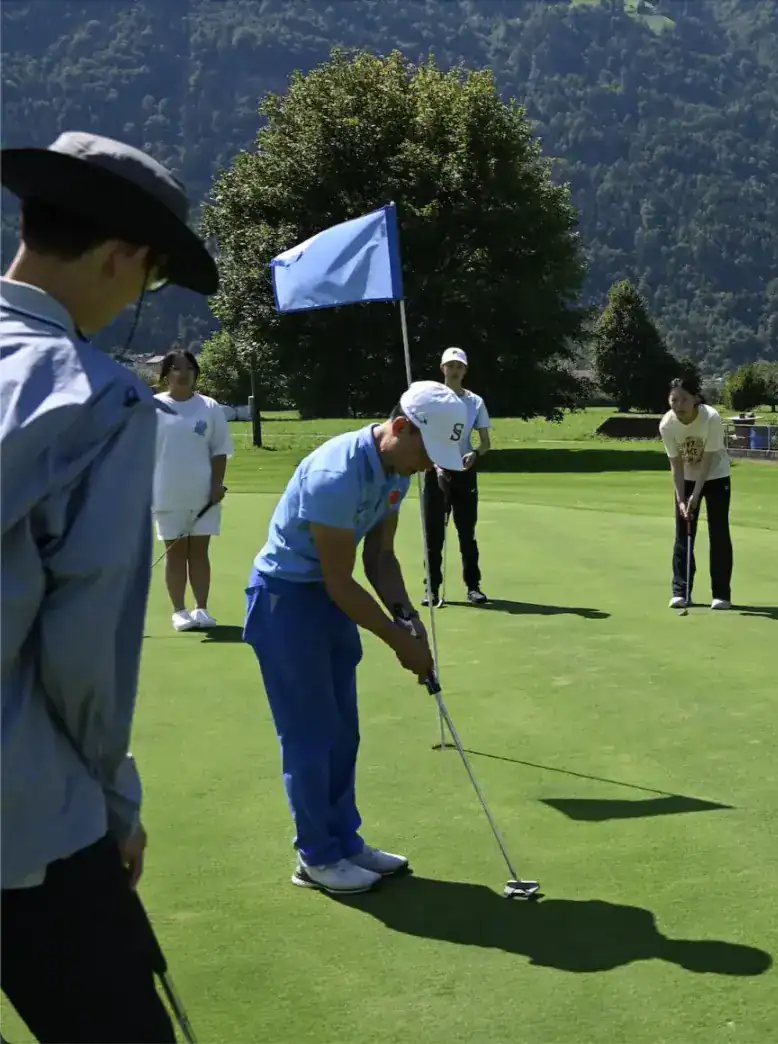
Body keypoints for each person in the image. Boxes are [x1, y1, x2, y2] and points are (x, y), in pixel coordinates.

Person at [1, 131, 218, 1043]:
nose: (138, 296)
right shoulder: (96, 397)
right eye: (150, 277)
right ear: (121, 254)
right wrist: (114, 802)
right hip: (26, 816)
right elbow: (86, 645)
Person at [245, 380, 467, 894]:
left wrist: (407, 615)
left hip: (327, 600)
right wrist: (398, 641)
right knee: (309, 733)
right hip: (286, 600)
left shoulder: (398, 471)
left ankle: (345, 841)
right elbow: (339, 581)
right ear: (401, 427)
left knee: (343, 729)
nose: (425, 465)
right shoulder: (335, 473)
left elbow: (380, 558)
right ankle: (316, 857)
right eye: (426, 451)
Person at [153, 347, 234, 632]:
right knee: (175, 553)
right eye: (176, 368)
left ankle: (201, 608)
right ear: (166, 374)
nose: (183, 374)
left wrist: (216, 486)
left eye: (189, 368)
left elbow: (219, 451)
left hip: (203, 493)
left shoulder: (209, 407)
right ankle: (179, 611)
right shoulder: (152, 406)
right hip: (166, 493)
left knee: (199, 551)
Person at [422, 346, 492, 607]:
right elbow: (421, 436)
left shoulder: (474, 402)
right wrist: (433, 462)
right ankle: (432, 589)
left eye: (459, 366)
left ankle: (473, 587)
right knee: (433, 535)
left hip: (464, 471)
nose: (454, 370)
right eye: (450, 365)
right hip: (434, 470)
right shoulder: (430, 399)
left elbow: (485, 442)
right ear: (443, 369)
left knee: (466, 534)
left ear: (465, 370)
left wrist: (475, 453)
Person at [660, 376, 732, 610]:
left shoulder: (710, 418)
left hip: (715, 476)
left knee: (718, 533)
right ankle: (680, 592)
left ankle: (721, 595)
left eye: (683, 399)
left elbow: (708, 460)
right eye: (674, 400)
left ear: (695, 399)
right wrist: (682, 499)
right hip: (686, 479)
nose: (678, 405)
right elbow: (676, 463)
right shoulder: (667, 425)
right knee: (683, 533)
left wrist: (696, 493)